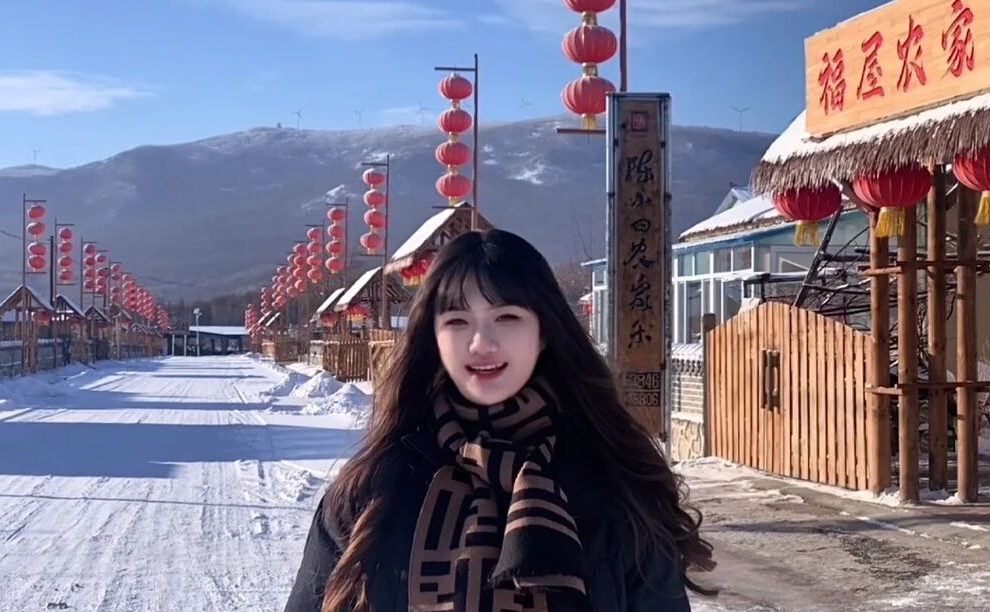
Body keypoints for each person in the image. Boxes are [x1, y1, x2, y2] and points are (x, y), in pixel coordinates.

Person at [286, 229, 715, 612]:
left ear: (544, 331)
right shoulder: (376, 487)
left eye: (506, 318)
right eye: (457, 321)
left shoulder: (614, 489)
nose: (481, 343)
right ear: (434, 338)